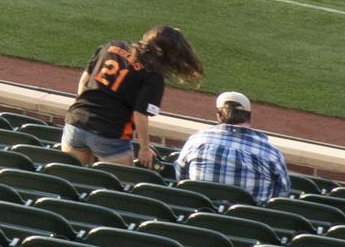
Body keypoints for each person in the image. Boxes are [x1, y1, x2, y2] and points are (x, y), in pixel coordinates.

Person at [62, 25, 203, 166]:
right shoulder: (152, 74)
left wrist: (82, 111)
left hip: (75, 122)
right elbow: (139, 114)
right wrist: (145, 149)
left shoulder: (113, 45)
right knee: (121, 185)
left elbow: (84, 81)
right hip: (109, 134)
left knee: (75, 177)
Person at [175, 92, 291, 203]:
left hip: (198, 219)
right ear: (249, 116)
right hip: (248, 222)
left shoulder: (196, 140)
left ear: (218, 115)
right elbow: (282, 193)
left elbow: (182, 178)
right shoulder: (270, 153)